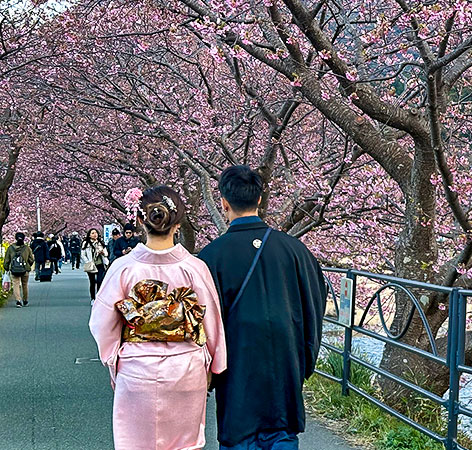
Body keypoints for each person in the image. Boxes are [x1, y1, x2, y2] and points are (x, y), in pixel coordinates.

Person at [198, 165, 326, 450]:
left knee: (239, 437)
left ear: (224, 203)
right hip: (285, 368)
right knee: (282, 435)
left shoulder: (210, 257)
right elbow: (315, 307)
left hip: (236, 373)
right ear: (259, 200)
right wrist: (303, 361)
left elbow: (202, 324)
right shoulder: (296, 251)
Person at [89, 185, 226, 450]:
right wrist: (214, 364)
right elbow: (212, 323)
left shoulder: (124, 267)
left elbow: (101, 322)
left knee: (135, 443)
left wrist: (114, 357)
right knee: (184, 444)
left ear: (140, 220)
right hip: (186, 368)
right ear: (178, 222)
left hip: (136, 369)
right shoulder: (194, 268)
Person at [4, 232, 34, 307]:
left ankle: (18, 300)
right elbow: (31, 259)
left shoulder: (10, 248)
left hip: (14, 270)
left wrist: (7, 268)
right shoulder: (27, 248)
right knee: (25, 285)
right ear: (24, 238)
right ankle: (25, 300)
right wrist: (28, 266)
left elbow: (7, 260)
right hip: (25, 269)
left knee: (16, 284)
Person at [81, 228, 109, 302]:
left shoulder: (100, 243)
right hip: (91, 265)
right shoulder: (86, 243)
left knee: (100, 281)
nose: (95, 234)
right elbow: (83, 255)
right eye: (92, 233)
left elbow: (106, 253)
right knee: (92, 282)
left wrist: (102, 252)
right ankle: (93, 298)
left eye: (96, 233)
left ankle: (99, 297)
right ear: (89, 235)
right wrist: (88, 262)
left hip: (100, 264)